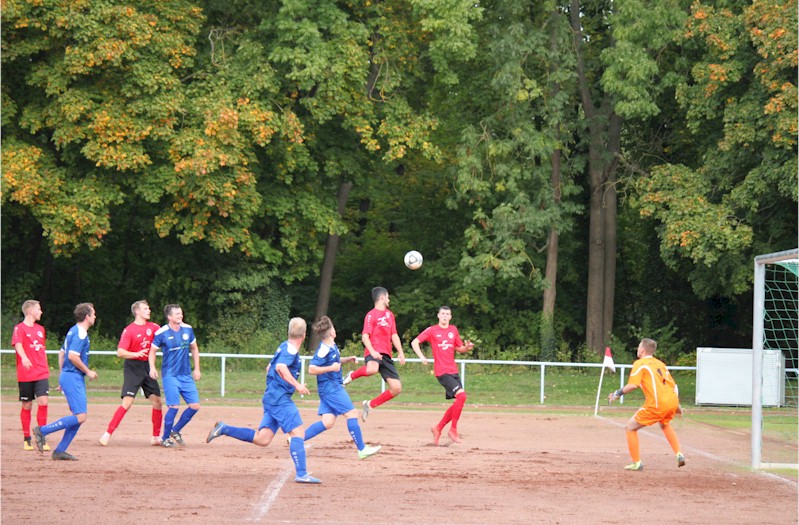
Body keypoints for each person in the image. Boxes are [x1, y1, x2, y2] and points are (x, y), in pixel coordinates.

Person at [206, 317, 322, 484]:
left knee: (263, 439)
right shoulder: (290, 350)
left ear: (289, 332)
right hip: (279, 399)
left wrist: (275, 385)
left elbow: (269, 368)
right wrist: (296, 385)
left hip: (271, 397)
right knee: (298, 433)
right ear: (304, 335)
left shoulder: (283, 346)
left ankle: (224, 428)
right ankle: (302, 474)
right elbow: (280, 367)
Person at [303, 316, 381, 459]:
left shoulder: (331, 345)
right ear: (330, 332)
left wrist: (347, 359)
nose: (335, 329)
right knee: (352, 414)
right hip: (331, 388)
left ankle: (296, 439)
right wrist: (331, 368)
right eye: (333, 327)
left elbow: (334, 361)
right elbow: (311, 369)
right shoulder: (323, 349)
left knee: (328, 422)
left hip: (330, 387)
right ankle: (362, 449)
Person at [32, 303, 98, 460]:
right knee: (81, 416)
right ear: (87, 316)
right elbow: (72, 356)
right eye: (93, 314)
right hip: (73, 376)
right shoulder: (80, 333)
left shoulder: (73, 330)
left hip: (70, 376)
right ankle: (43, 430)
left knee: (78, 417)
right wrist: (88, 371)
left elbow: (61, 353)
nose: (95, 316)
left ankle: (60, 451)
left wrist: (63, 375)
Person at [608, 338, 686, 471]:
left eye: (639, 347)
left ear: (642, 350)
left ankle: (637, 463)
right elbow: (674, 386)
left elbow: (633, 385)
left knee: (630, 427)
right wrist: (676, 404)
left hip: (657, 403)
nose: (637, 349)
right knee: (664, 424)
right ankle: (679, 453)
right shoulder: (660, 364)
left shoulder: (640, 364)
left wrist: (617, 393)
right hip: (671, 400)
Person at [99, 300, 163, 446]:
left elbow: (166, 334)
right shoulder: (129, 330)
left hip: (147, 366)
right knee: (127, 402)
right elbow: (120, 352)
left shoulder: (154, 327)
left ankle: (155, 437)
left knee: (157, 401)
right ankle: (107, 434)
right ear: (137, 312)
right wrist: (136, 354)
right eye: (145, 308)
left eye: (148, 308)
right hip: (133, 367)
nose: (149, 310)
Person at [410, 306, 474, 445]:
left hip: (453, 371)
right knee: (462, 396)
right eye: (443, 313)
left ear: (450, 317)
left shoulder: (453, 330)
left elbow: (459, 348)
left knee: (459, 400)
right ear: (438, 315)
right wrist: (422, 357)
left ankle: (438, 428)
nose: (445, 316)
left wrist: (467, 348)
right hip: (442, 372)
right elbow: (414, 342)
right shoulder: (432, 330)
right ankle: (453, 430)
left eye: (447, 314)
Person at [342, 287, 406, 421]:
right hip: (373, 350)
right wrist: (372, 352)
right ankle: (351, 375)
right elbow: (365, 336)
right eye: (388, 297)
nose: (389, 300)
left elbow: (394, 335)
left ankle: (369, 405)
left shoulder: (390, 315)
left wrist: (400, 352)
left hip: (386, 355)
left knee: (396, 388)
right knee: (372, 369)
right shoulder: (371, 315)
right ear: (382, 298)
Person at [149, 304, 201, 447]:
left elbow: (194, 348)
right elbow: (152, 351)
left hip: (185, 375)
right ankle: (165, 438)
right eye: (177, 314)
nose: (180, 315)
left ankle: (175, 430)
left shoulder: (188, 329)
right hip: (170, 375)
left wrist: (197, 369)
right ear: (169, 317)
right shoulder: (162, 332)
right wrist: (152, 367)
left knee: (195, 406)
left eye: (181, 313)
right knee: (174, 406)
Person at [12, 300, 51, 451]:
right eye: (39, 309)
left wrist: (46, 368)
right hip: (26, 373)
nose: (41, 312)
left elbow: (42, 350)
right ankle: (27, 438)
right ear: (30, 311)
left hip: (41, 372)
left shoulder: (41, 329)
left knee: (43, 402)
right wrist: (24, 358)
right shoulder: (19, 328)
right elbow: (18, 344)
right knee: (27, 405)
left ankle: (42, 437)